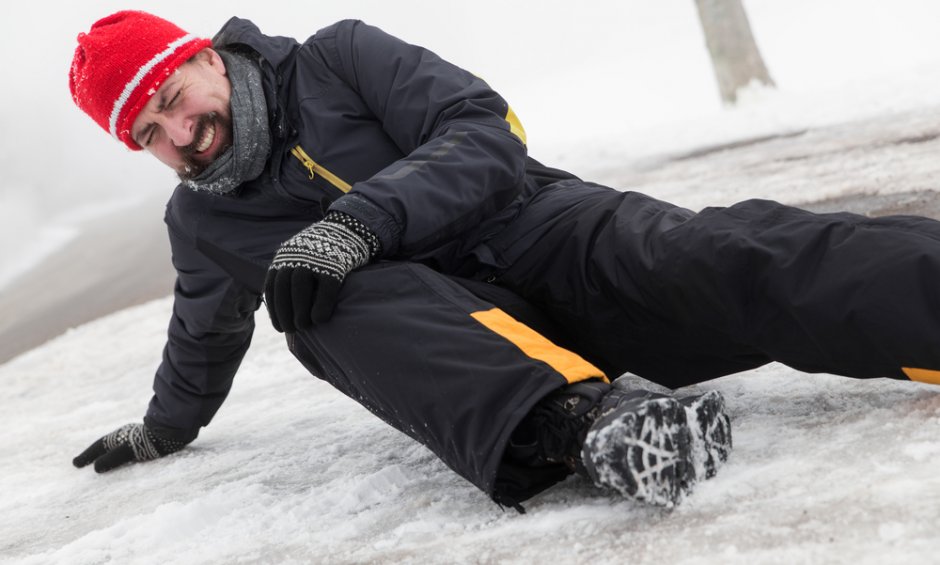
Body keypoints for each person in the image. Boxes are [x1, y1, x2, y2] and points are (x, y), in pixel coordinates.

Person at [68, 10, 940, 511]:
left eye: (174, 100)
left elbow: (486, 132)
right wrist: (164, 427)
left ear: (203, 58)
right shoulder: (202, 223)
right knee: (312, 302)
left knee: (737, 254)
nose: (180, 135)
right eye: (149, 133)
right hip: (468, 358)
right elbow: (202, 331)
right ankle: (593, 430)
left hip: (551, 234)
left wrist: (361, 219)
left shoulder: (339, 58)